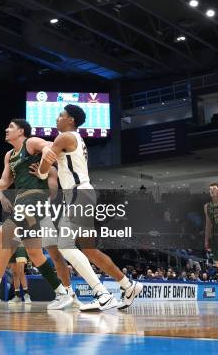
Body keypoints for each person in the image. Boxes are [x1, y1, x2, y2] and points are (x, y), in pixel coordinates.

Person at [38, 105, 142, 310]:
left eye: (61, 115)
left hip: (78, 193)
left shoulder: (64, 137)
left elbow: (42, 172)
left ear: (71, 120)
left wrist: (44, 162)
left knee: (65, 245)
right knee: (90, 251)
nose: (57, 118)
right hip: (83, 193)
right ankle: (128, 285)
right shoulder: (75, 139)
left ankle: (101, 293)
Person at [0, 119, 73, 310]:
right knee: (34, 253)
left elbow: (49, 146)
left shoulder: (30, 142)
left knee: (4, 234)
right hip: (21, 201)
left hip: (36, 200)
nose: (6, 129)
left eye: (11, 127)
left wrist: (44, 163)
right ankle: (62, 293)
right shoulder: (9, 155)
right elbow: (4, 182)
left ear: (21, 131)